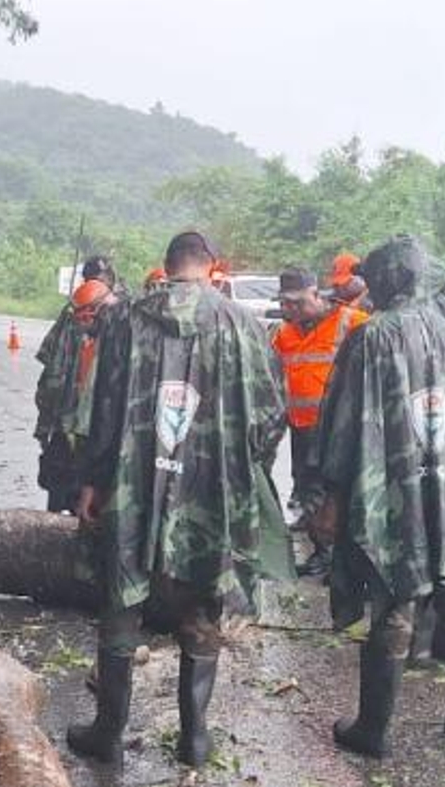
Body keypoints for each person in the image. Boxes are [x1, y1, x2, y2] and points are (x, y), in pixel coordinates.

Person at [69, 231, 290, 773]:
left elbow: (101, 409)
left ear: (167, 267)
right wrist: (246, 470)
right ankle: (194, 739)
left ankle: (109, 734)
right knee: (203, 600)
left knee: (122, 597)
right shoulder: (243, 325)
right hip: (212, 487)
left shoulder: (125, 319)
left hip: (132, 480)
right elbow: (269, 414)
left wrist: (93, 481)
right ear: (212, 268)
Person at [311, 235, 445, 757]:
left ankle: (373, 730)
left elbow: (344, 426)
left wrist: (329, 498)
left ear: (386, 280)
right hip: (437, 483)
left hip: (392, 490)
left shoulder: (375, 337)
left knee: (394, 601)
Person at [272, 267, 368, 577]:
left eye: (298, 302)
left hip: (341, 428)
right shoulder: (284, 333)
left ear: (317, 294)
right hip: (302, 428)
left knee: (342, 492)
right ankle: (324, 553)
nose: (291, 309)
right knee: (309, 492)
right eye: (286, 303)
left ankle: (352, 558)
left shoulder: (351, 322)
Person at [33, 255, 120, 512]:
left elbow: (51, 370)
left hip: (84, 424)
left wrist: (45, 421)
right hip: (76, 423)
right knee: (67, 490)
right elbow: (54, 370)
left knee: (78, 494)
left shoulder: (114, 316)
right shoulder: (81, 308)